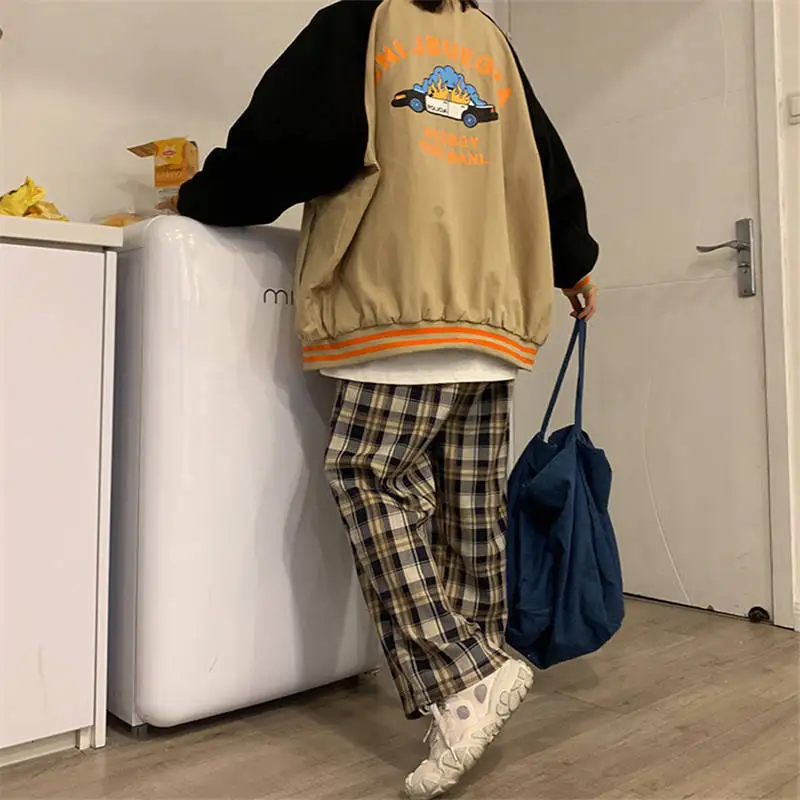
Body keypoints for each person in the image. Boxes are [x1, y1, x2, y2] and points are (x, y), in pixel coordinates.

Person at [177, 0, 598, 796]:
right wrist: (573, 259)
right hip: (492, 314)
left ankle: (461, 678)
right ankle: (468, 700)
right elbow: (544, 161)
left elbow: (284, 143)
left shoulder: (360, 25)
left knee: (366, 474)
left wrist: (199, 200)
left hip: (398, 301)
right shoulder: (490, 41)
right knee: (467, 511)